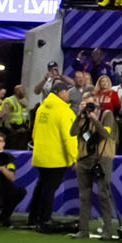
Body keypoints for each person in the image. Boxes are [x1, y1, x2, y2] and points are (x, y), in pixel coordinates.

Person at [28, 78, 77, 228]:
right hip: (56, 156)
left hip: (41, 154)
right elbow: (68, 137)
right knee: (50, 188)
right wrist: (74, 157)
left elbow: (34, 133)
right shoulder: (63, 111)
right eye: (67, 92)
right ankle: (45, 218)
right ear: (61, 93)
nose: (68, 95)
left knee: (41, 186)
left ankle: (33, 217)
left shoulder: (42, 108)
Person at [72, 95, 118, 240]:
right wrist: (79, 116)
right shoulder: (83, 117)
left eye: (91, 104)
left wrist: (94, 119)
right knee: (84, 196)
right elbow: (72, 132)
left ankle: (108, 231)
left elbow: (105, 133)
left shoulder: (107, 115)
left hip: (102, 158)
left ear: (98, 104)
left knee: (103, 195)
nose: (89, 108)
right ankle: (83, 230)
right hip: (84, 159)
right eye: (86, 104)